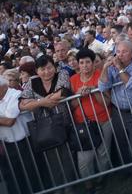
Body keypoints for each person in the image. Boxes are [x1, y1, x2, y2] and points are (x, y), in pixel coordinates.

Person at [19, 55, 76, 190]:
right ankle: (59, 188)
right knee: (52, 161)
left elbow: (63, 91)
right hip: (44, 128)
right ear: (37, 71)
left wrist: (36, 103)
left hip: (63, 123)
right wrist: (43, 102)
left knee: (67, 157)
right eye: (42, 69)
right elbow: (22, 104)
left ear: (54, 67)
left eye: (49, 67)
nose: (46, 72)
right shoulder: (32, 82)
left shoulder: (62, 73)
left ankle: (70, 188)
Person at [98, 40, 132, 168]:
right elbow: (102, 87)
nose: (120, 55)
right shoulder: (112, 65)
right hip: (118, 110)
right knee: (121, 141)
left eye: (124, 51)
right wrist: (105, 68)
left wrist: (119, 67)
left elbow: (130, 84)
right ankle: (126, 170)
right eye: (118, 51)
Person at [70, 48, 111, 191]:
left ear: (94, 63)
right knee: (84, 159)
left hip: (102, 119)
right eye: (81, 62)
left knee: (103, 152)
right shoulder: (73, 80)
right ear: (78, 64)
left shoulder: (101, 76)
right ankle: (88, 183)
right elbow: (71, 105)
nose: (85, 65)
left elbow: (106, 102)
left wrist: (94, 90)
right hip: (82, 124)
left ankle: (101, 179)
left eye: (88, 62)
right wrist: (78, 95)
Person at [0, 77, 38, 194]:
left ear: (2, 87)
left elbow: (9, 121)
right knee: (14, 178)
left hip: (25, 142)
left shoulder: (15, 95)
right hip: (7, 145)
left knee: (31, 175)